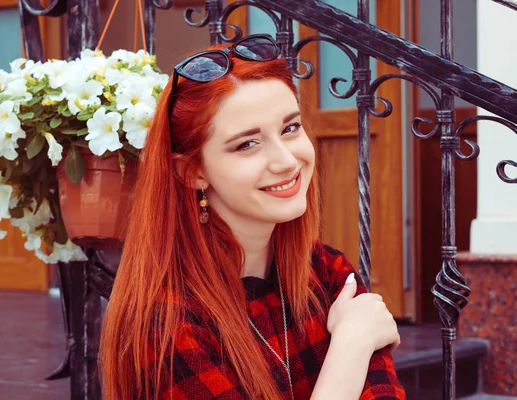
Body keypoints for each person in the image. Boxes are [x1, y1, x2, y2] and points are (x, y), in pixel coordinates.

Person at [99, 34, 406, 400]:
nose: (287, 161)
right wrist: (351, 344)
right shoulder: (165, 321)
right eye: (248, 144)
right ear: (192, 172)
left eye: (290, 128)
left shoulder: (326, 273)